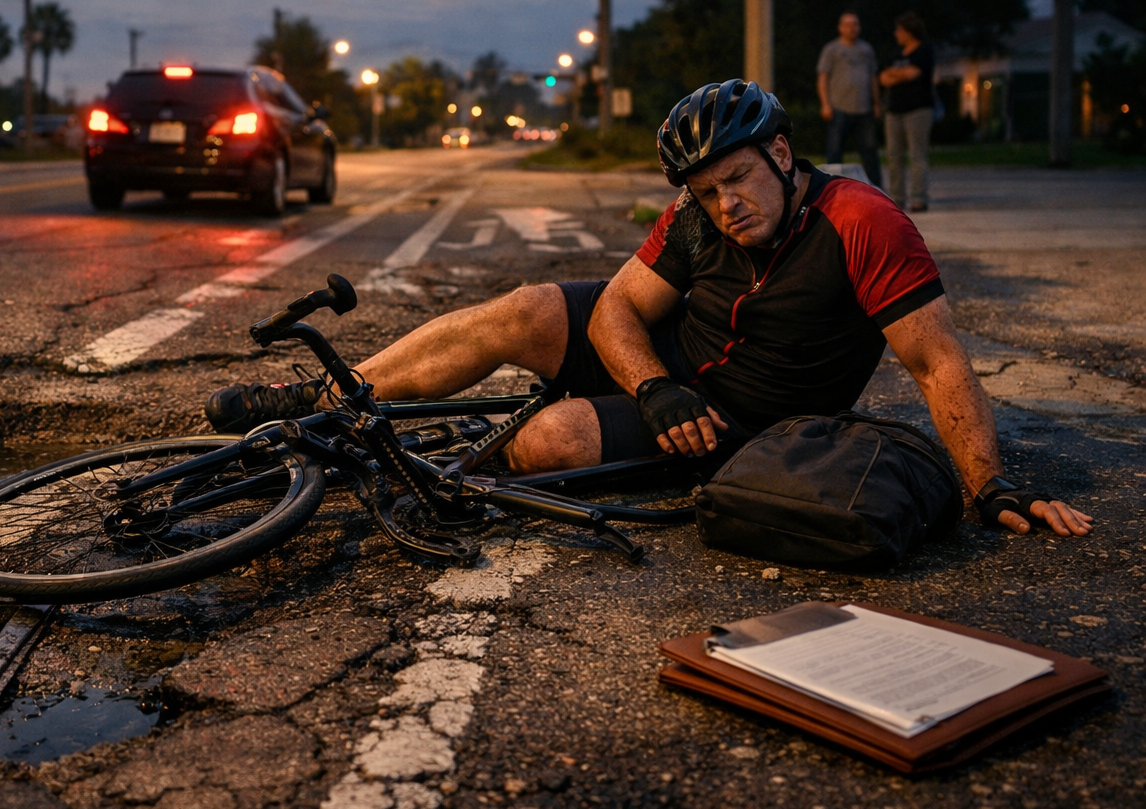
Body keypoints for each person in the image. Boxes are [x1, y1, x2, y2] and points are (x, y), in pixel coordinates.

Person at [205, 80, 1092, 538]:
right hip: (669, 372)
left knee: (551, 442)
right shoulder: (700, 217)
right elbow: (620, 311)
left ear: (782, 153)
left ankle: (465, 466)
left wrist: (991, 486)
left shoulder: (864, 224)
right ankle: (330, 399)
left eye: (738, 178)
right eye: (706, 191)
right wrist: (653, 384)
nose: (725, 204)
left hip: (741, 417)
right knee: (523, 309)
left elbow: (939, 363)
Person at [816, 11, 883, 188]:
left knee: (869, 152)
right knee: (835, 151)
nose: (852, 28)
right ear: (840, 27)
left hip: (864, 109)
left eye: (855, 24)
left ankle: (877, 190)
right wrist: (825, 104)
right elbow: (823, 78)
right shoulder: (832, 50)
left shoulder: (866, 49)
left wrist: (876, 103)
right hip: (839, 108)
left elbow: (873, 78)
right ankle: (831, 190)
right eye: (848, 24)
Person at [879, 11, 936, 212]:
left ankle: (918, 198)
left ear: (909, 31)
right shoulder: (896, 54)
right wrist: (900, 74)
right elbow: (884, 78)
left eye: (899, 30)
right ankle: (897, 199)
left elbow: (914, 73)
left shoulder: (924, 51)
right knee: (893, 156)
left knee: (917, 155)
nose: (896, 34)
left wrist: (897, 74)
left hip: (918, 110)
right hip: (894, 110)